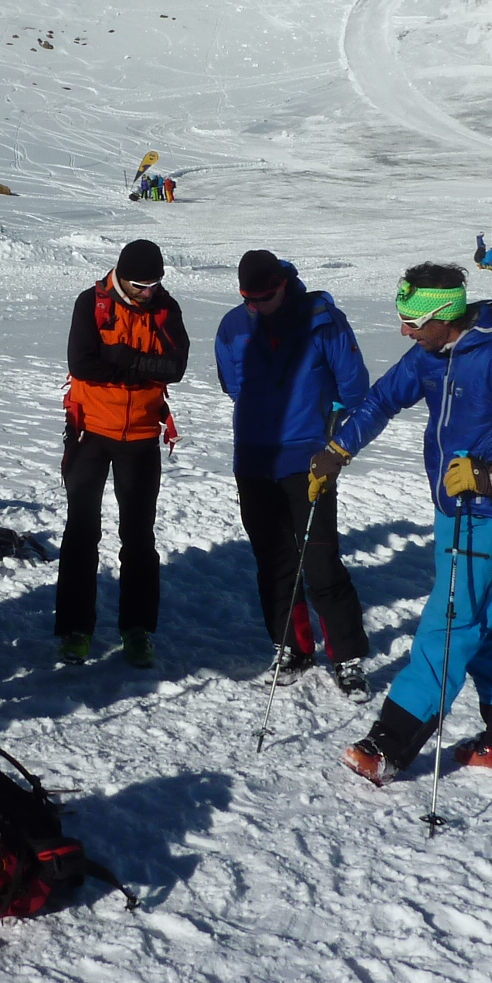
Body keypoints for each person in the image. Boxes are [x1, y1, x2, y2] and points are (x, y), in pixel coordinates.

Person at [310, 263, 492, 785]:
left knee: (447, 628)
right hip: (449, 513)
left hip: (490, 517)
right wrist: (338, 449)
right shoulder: (430, 356)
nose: (404, 331)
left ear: (446, 315)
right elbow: (383, 398)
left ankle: (388, 745)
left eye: (413, 322)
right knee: (478, 630)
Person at [214, 250, 372, 698]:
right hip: (254, 458)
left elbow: (355, 387)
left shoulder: (323, 320)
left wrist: (330, 424)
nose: (256, 306)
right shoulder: (233, 325)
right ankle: (292, 646)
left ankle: (347, 656)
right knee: (274, 560)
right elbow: (232, 385)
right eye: (248, 298)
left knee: (320, 559)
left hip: (308, 457)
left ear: (283, 284)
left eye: (264, 297)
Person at [55, 240, 189, 668]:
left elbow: (177, 367)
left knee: (138, 538)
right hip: (90, 433)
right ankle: (76, 629)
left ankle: (137, 629)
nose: (148, 292)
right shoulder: (89, 304)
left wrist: (119, 361)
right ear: (120, 276)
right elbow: (82, 363)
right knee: (81, 532)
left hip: (142, 437)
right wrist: (141, 365)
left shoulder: (166, 309)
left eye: (154, 284)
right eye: (140, 285)